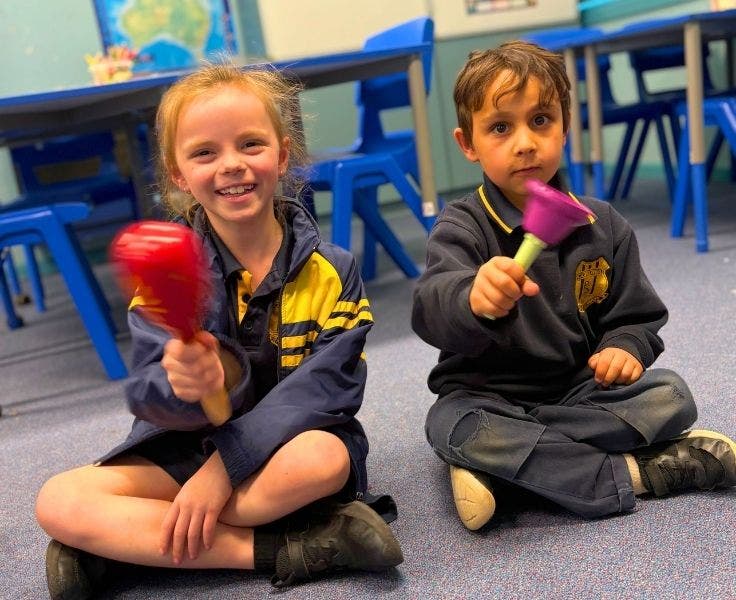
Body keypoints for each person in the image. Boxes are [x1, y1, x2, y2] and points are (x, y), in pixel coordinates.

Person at [36, 63, 402, 599]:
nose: (231, 165)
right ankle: (285, 547)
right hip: (184, 449)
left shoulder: (334, 269)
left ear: (282, 153)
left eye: (250, 144)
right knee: (58, 501)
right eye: (205, 153)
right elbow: (143, 395)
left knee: (326, 459)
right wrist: (183, 387)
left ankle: (128, 543)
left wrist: (225, 469)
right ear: (179, 173)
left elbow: (328, 391)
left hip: (285, 450)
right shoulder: (167, 273)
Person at [411, 41, 736, 531]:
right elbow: (430, 308)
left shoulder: (603, 225)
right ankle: (638, 472)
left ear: (565, 125)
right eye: (501, 127)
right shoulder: (462, 226)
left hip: (578, 392)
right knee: (455, 426)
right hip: (485, 396)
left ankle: (508, 469)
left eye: (540, 120)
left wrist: (624, 348)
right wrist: (471, 297)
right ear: (468, 144)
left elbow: (637, 318)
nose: (525, 142)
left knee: (672, 395)